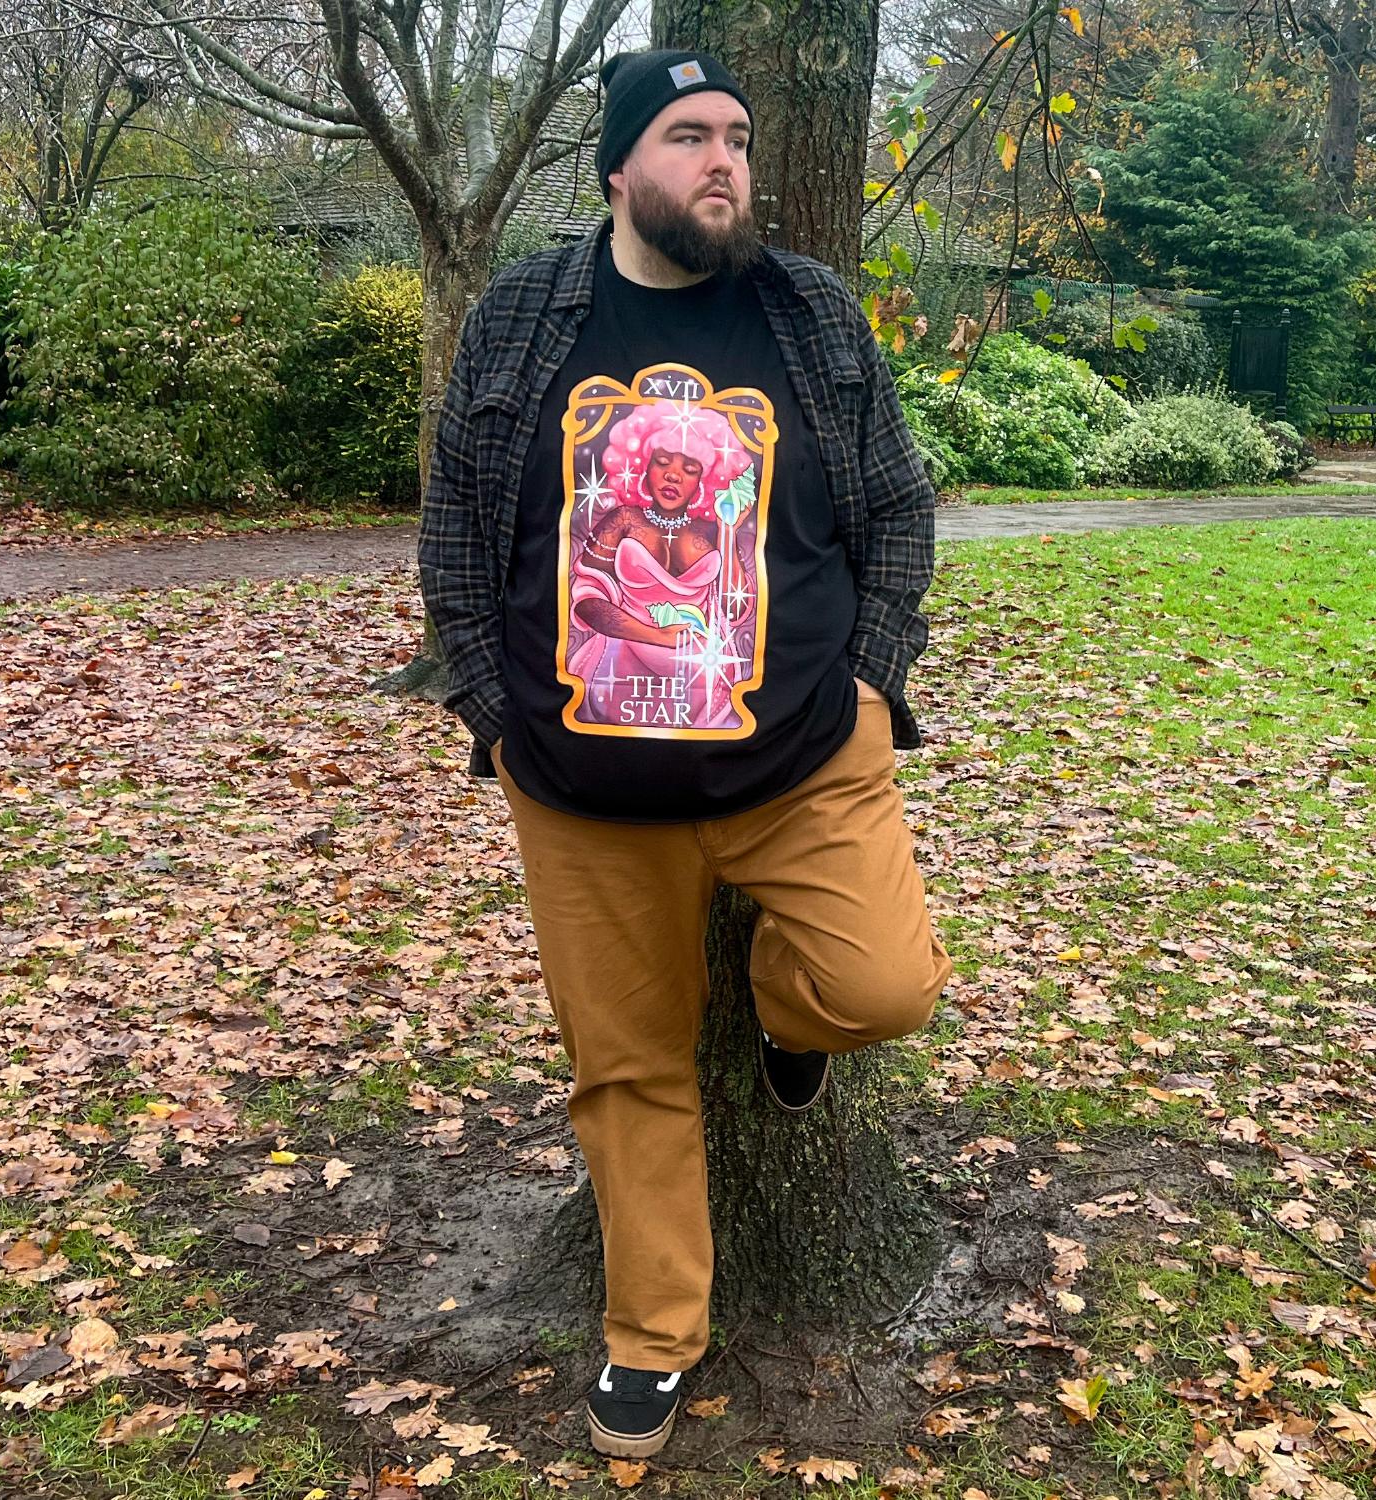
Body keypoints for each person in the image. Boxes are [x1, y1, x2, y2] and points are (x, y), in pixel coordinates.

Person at [418, 46, 952, 1459]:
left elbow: (897, 509)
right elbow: (457, 527)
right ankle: (652, 1336)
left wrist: (875, 688)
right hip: (585, 790)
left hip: (803, 763)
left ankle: (785, 1013)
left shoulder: (809, 313)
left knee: (883, 987)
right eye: (688, 136)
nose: (725, 163)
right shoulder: (525, 313)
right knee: (629, 1067)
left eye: (739, 139)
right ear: (617, 167)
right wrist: (493, 715)